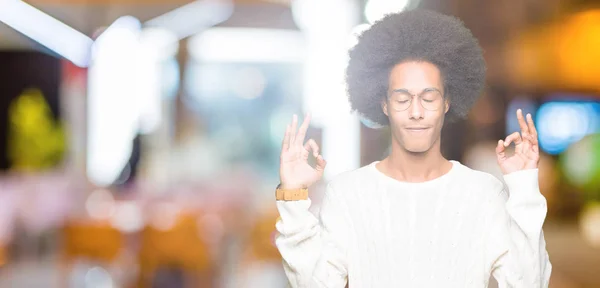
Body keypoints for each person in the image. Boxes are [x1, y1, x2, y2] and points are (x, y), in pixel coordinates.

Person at [274, 9, 551, 287]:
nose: (416, 111)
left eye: (428, 98)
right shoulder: (347, 193)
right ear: (384, 104)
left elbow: (528, 283)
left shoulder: (484, 193)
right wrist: (293, 198)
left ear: (446, 103)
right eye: (402, 98)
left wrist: (526, 186)